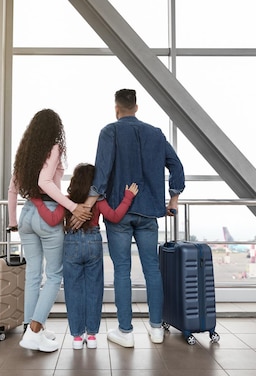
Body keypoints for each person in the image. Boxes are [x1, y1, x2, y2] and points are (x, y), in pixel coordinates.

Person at [71, 89, 185, 348]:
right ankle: (156, 329)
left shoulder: (109, 131)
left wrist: (88, 205)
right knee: (152, 270)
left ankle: (126, 332)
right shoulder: (155, 133)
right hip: (149, 212)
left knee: (122, 271)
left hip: (118, 213)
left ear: (116, 108)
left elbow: (102, 172)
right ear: (136, 107)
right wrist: (173, 198)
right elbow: (176, 165)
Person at [7, 109, 92, 352]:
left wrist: (13, 221)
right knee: (54, 275)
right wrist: (74, 206)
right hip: (48, 215)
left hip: (27, 214)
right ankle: (34, 332)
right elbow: (45, 182)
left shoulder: (25, 153)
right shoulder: (54, 147)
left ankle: (31, 329)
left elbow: (13, 189)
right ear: (55, 129)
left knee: (34, 274)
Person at [32, 163, 138, 349]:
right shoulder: (97, 200)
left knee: (73, 292)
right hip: (93, 243)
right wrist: (128, 197)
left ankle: (76, 338)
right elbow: (114, 216)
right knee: (94, 291)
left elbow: (53, 219)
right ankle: (92, 336)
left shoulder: (67, 200)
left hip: (71, 245)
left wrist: (37, 200)